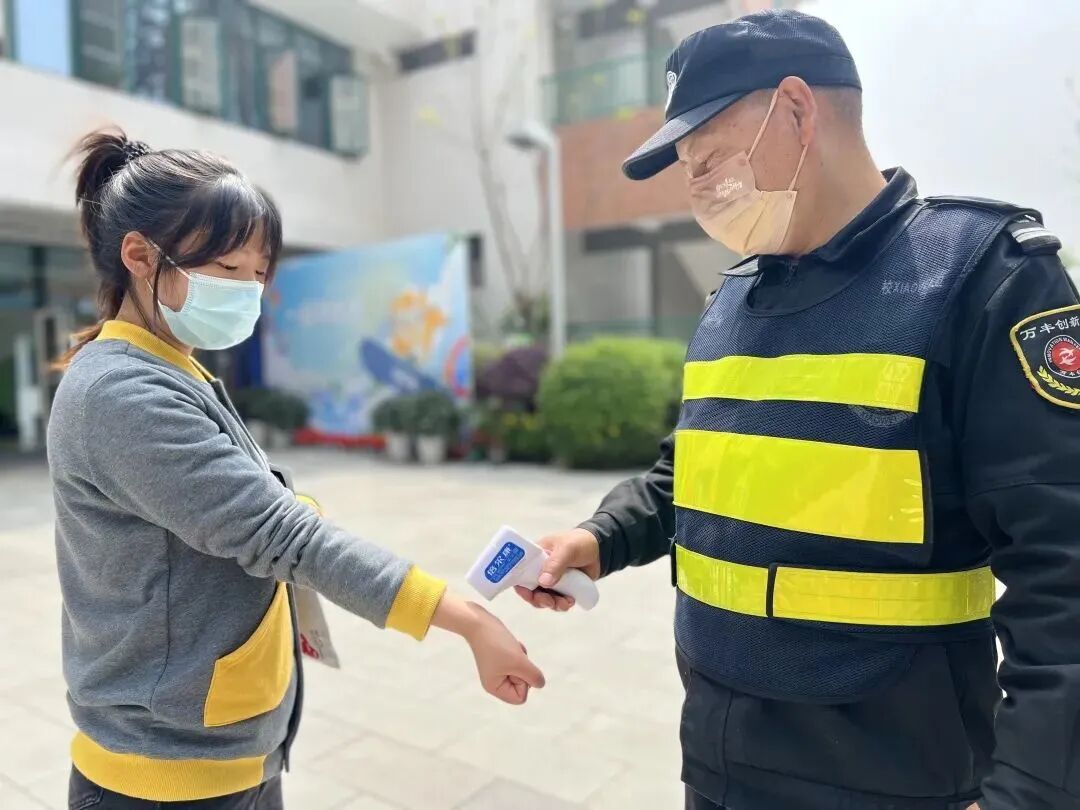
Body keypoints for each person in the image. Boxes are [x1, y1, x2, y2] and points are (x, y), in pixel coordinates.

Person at [519, 10, 1080, 810]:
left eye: (708, 157)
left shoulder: (979, 278)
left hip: (895, 780)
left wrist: (1029, 793)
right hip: (719, 764)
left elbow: (1064, 569)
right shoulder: (734, 298)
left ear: (794, 109)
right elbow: (692, 475)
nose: (697, 186)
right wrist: (600, 538)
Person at [50, 130, 544, 810]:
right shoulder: (122, 393)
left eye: (259, 273)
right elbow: (282, 536)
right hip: (165, 777)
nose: (248, 290)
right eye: (227, 266)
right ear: (139, 256)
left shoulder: (173, 368)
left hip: (225, 753)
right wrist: (469, 621)